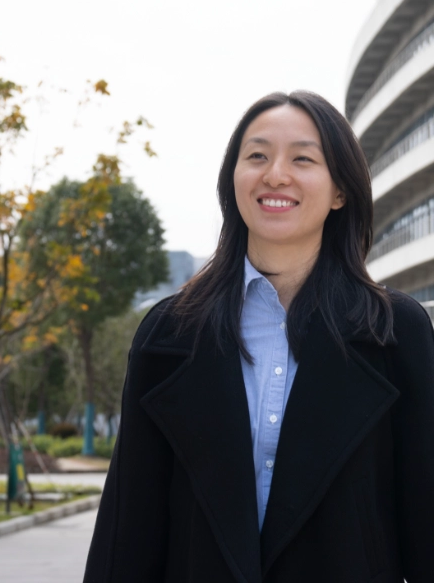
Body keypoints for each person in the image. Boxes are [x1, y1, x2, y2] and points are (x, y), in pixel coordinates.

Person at [83, 91, 434, 583]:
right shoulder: (170, 332)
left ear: (340, 191)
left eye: (303, 159)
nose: (275, 174)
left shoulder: (394, 331)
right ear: (234, 180)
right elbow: (129, 528)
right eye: (257, 156)